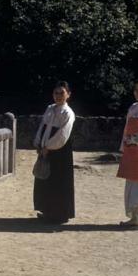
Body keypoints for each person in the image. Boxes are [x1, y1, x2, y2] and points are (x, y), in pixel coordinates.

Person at [33, 80, 76, 224]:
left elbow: (62, 134)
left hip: (60, 151)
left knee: (59, 182)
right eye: (56, 93)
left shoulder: (68, 112)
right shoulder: (50, 108)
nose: (58, 96)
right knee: (45, 181)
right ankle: (47, 211)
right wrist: (39, 143)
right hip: (46, 149)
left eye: (61, 93)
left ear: (68, 95)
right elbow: (42, 127)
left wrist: (49, 147)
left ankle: (60, 214)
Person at [117, 79, 138, 227]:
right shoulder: (133, 108)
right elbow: (127, 129)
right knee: (132, 184)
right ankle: (135, 217)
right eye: (136, 90)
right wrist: (124, 148)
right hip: (132, 151)